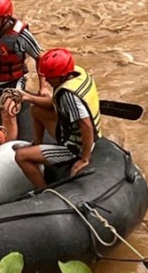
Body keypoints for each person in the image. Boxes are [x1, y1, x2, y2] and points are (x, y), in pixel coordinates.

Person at [14, 48, 99, 189]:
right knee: (35, 108)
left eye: (50, 77)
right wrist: (28, 97)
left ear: (63, 75)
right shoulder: (77, 74)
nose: (46, 80)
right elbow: (54, 103)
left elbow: (86, 125)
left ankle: (43, 190)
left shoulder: (69, 95)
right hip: (70, 130)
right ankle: (37, 143)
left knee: (21, 156)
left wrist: (85, 158)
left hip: (74, 147)